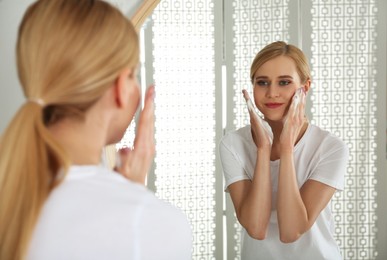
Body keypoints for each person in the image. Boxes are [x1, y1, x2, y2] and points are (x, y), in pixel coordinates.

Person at [0, 1, 192, 260]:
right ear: (121, 87)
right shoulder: (158, 224)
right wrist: (135, 201)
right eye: (134, 74)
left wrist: (128, 192)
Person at [219, 41, 348, 260]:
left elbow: (291, 231)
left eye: (284, 82)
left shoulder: (330, 148)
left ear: (305, 88)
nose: (272, 93)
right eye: (262, 82)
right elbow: (256, 228)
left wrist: (287, 149)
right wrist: (263, 149)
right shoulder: (233, 144)